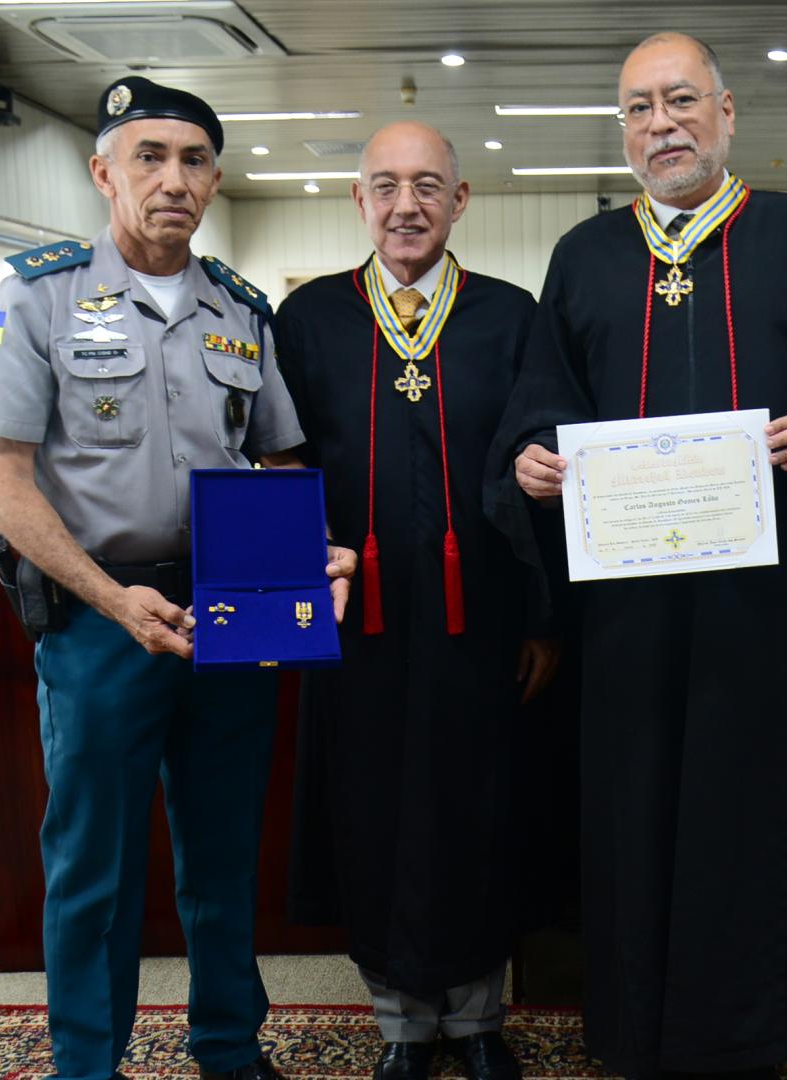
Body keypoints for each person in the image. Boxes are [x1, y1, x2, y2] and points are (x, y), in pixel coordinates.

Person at [488, 32, 787, 1078]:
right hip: (626, 619)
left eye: (679, 101)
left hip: (770, 612)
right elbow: (542, 399)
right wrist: (533, 459)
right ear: (621, 129)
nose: (659, 124)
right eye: (637, 108)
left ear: (726, 113)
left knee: (758, 814)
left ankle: (758, 1031)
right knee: (631, 811)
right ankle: (631, 1028)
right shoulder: (584, 255)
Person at [0, 76, 354, 1080]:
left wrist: (308, 553)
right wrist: (106, 597)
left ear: (215, 179)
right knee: (93, 867)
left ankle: (228, 1046)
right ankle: (88, 1065)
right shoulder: (35, 296)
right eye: (149, 156)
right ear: (104, 172)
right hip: (101, 622)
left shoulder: (240, 308)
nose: (172, 178)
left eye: (192, 161)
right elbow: (1, 479)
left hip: (232, 613)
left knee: (223, 855)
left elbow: (277, 460)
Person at [276, 121, 558, 1080]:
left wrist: (539, 621)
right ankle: (401, 1024)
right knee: (372, 812)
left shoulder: (512, 317)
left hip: (480, 625)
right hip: (357, 629)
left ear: (460, 199)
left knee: (480, 810)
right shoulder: (306, 319)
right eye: (386, 185)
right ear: (358, 199)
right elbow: (278, 467)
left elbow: (546, 476)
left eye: (428, 185)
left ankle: (478, 1022)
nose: (407, 204)